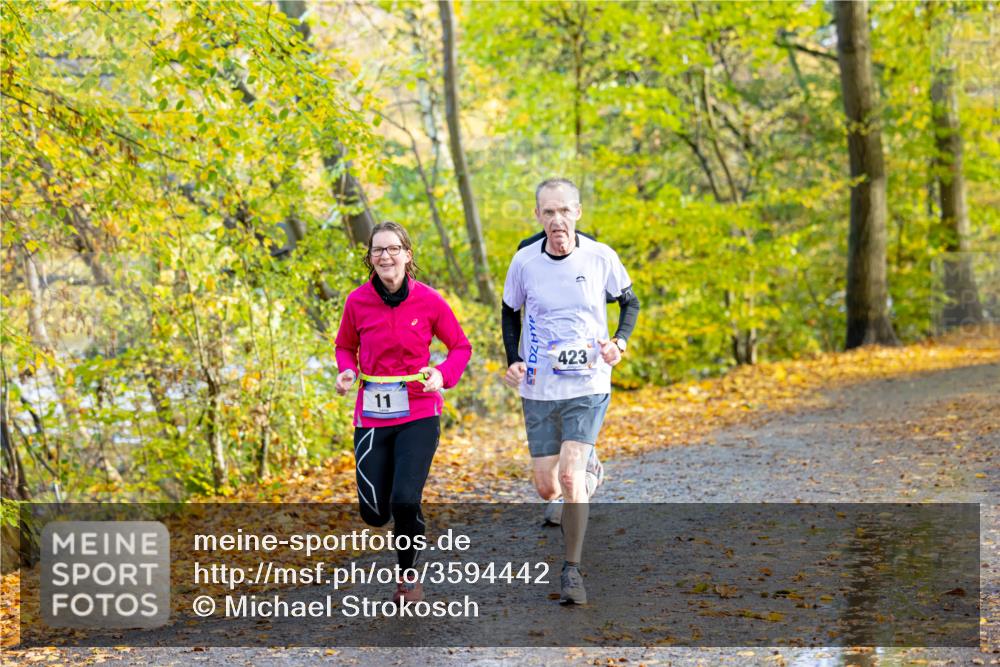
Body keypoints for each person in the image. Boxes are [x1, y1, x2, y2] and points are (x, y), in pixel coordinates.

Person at [501, 178, 639, 605]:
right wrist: (513, 359)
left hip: (589, 382)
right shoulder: (524, 261)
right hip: (539, 385)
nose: (557, 220)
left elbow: (629, 302)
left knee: (568, 476)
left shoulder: (600, 256)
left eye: (564, 211)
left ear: (577, 212)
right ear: (538, 217)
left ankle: (572, 571)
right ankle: (587, 471)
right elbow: (509, 311)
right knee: (547, 488)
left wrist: (618, 343)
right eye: (548, 212)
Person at [335, 221, 472, 604]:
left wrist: (442, 375)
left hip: (419, 411)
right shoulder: (356, 301)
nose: (385, 256)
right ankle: (394, 515)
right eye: (378, 250)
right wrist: (346, 370)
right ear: (370, 259)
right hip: (373, 416)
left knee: (405, 499)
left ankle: (408, 576)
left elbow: (461, 347)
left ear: (407, 255)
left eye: (393, 249)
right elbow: (345, 346)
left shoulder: (429, 300)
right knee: (376, 514)